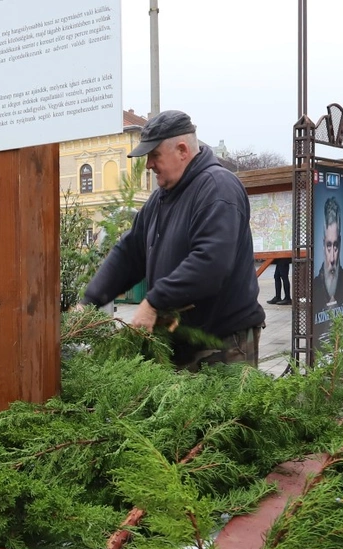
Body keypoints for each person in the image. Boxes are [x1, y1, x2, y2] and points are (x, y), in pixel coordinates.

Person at [79, 110, 265, 369]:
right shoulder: (160, 198)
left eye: (154, 155)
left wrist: (154, 302)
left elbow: (210, 263)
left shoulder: (217, 188)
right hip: (179, 342)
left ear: (182, 150)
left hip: (222, 344)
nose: (148, 165)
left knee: (223, 411)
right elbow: (129, 253)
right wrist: (88, 303)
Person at [312, 195, 343, 306]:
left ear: (340, 243)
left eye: (335, 246)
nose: (332, 258)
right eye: (328, 246)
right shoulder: (314, 287)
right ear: (323, 245)